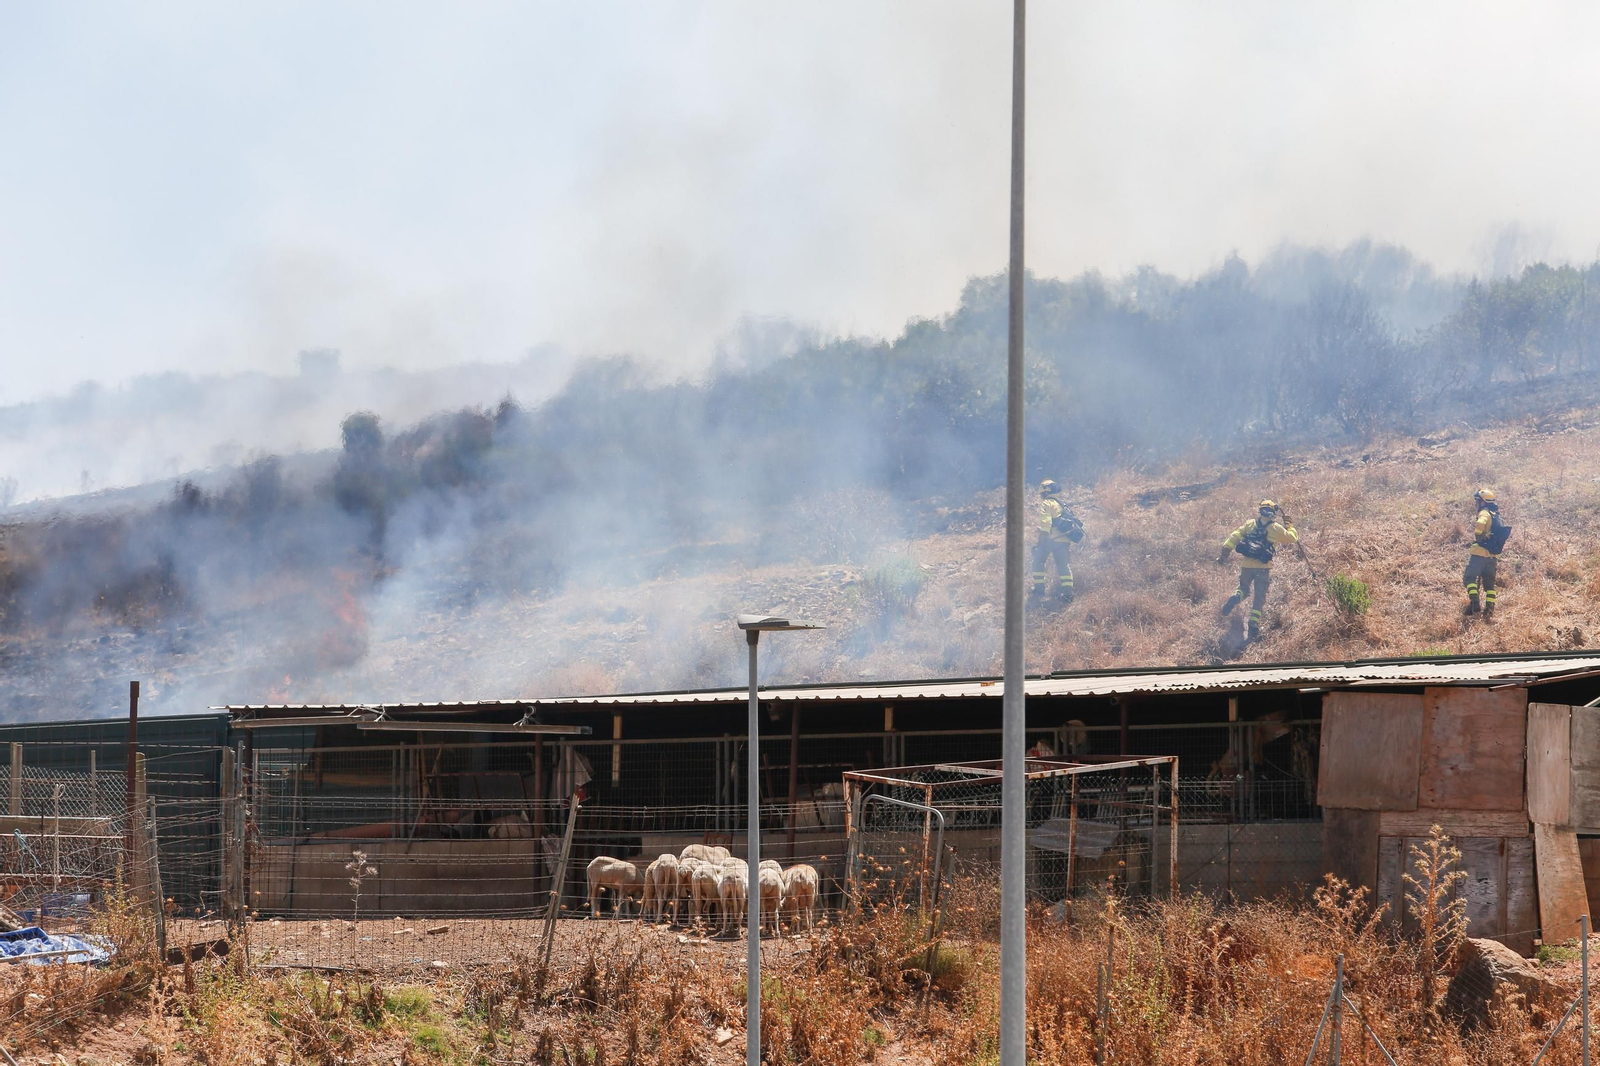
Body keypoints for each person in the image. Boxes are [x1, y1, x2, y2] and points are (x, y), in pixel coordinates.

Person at [1216, 500, 1299, 643]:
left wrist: (1224, 554)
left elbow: (1234, 536)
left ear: (1260, 511)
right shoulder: (1275, 528)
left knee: (1243, 589)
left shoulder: (1250, 524)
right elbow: (1292, 538)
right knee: (1259, 598)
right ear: (1272, 513)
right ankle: (1253, 627)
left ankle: (1235, 597)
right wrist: (1289, 525)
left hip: (1246, 565)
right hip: (1263, 568)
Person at [1031, 479, 1084, 603]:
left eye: (1042, 494)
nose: (1041, 496)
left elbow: (1046, 524)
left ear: (1046, 492)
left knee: (1037, 562)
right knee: (1063, 566)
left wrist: (1041, 541)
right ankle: (1068, 594)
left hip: (1050, 539)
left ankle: (1039, 590)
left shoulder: (1047, 503)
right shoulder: (1061, 504)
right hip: (1064, 540)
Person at [1464, 488, 1512, 618]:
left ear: (1483, 502)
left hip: (1479, 554)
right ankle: (1489, 609)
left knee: (1469, 578)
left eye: (1477, 501)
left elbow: (1481, 522)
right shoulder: (1497, 516)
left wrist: (1478, 534)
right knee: (1489, 585)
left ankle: (1474, 604)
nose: (1476, 504)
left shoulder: (1484, 513)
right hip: (1492, 556)